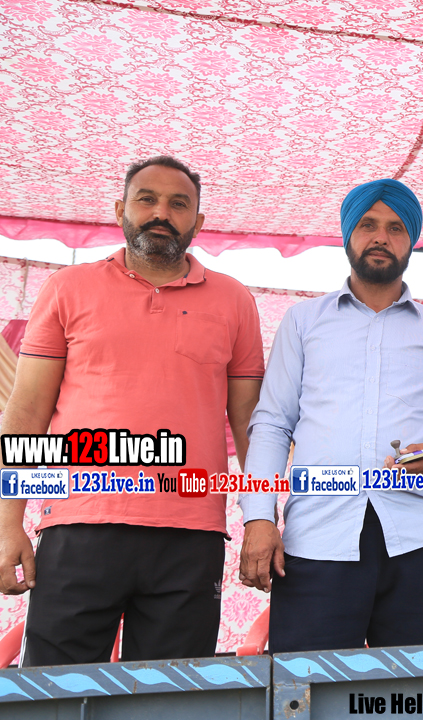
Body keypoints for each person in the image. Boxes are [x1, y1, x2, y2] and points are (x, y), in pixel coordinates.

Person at [0, 156, 265, 665]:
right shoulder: (67, 288)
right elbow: (28, 409)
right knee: (58, 690)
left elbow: (252, 423)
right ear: (121, 210)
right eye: (147, 199)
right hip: (78, 523)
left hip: (191, 535)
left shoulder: (234, 301)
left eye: (178, 204)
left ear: (198, 222)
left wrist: (260, 518)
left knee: (173, 694)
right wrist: (7, 519)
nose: (161, 213)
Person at [238, 178, 423, 652]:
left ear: (411, 240)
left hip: (418, 541)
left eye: (395, 228)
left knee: (418, 688)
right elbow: (272, 424)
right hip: (317, 541)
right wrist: (258, 518)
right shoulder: (304, 322)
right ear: (348, 234)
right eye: (368, 225)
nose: (381, 237)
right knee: (308, 684)